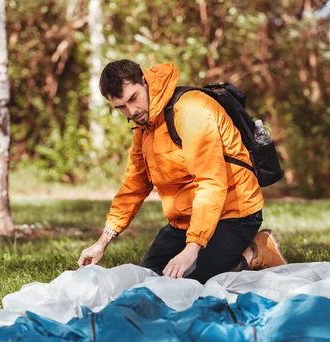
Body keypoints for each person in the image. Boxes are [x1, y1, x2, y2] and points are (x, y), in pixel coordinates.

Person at [78, 60, 287, 283]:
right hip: (186, 221)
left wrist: (192, 248)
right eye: (121, 107)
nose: (132, 111)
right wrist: (102, 243)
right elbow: (134, 186)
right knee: (149, 280)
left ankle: (257, 251)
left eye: (133, 98)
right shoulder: (146, 125)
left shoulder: (191, 111)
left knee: (194, 283)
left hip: (234, 212)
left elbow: (211, 183)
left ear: (145, 81)